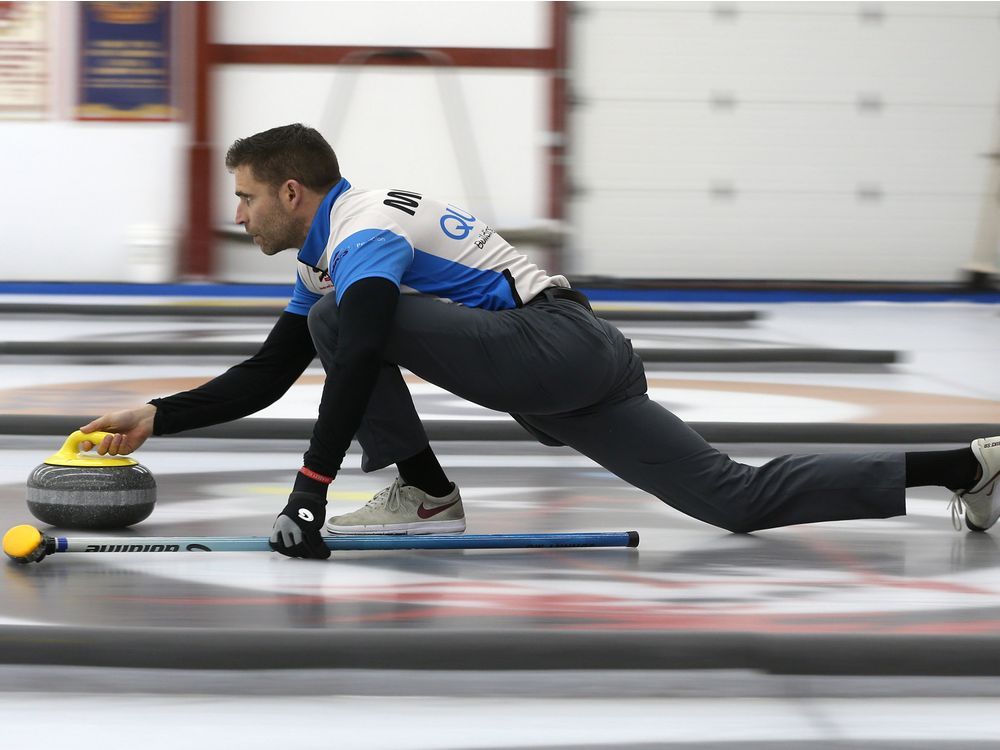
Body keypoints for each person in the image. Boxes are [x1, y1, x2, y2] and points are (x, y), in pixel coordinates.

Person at [81, 123, 1000, 560]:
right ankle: (967, 467)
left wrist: (310, 494)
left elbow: (355, 348)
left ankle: (427, 496)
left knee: (343, 327)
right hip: (569, 367)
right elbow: (271, 374)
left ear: (292, 192)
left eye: (244, 195)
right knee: (734, 499)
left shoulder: (361, 230)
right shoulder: (328, 258)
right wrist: (156, 415)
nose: (235, 214)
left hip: (554, 342)